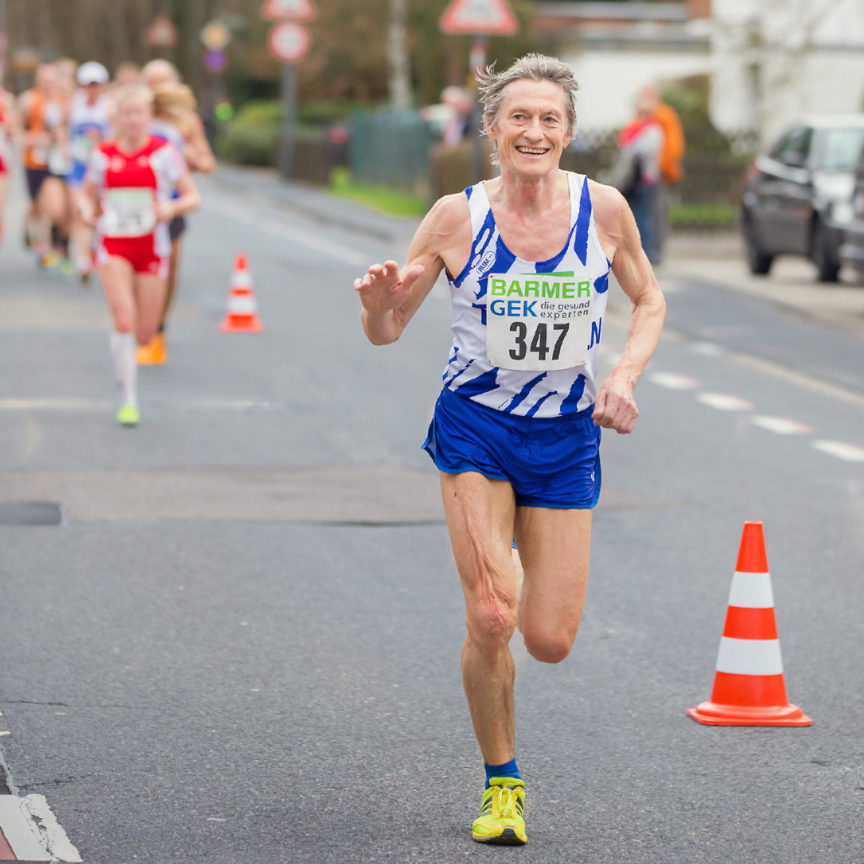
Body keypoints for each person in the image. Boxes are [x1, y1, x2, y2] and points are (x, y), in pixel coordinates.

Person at [353, 54, 665, 845]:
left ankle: (505, 558)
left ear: (567, 132)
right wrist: (379, 308)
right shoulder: (456, 218)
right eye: (518, 117)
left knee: (550, 640)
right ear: (491, 130)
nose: (534, 131)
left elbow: (649, 299)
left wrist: (623, 373)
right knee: (493, 614)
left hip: (564, 437)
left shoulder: (605, 211)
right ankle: (503, 786)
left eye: (549, 119)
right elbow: (390, 331)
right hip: (476, 427)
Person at [80, 85, 200, 426]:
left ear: (149, 116)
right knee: (123, 319)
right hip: (113, 245)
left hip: (152, 248)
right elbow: (86, 196)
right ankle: (128, 398)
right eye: (125, 113)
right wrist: (88, 211)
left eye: (138, 113)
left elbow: (193, 197)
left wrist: (171, 206)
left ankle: (126, 355)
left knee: (145, 333)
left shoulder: (163, 152)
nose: (132, 120)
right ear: (116, 118)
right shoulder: (102, 154)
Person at [136, 62, 215, 365]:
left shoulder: (186, 121)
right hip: (133, 203)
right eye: (151, 84)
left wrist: (189, 157)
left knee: (167, 272)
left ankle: (158, 330)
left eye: (162, 85)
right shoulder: (134, 116)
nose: (156, 92)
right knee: (134, 271)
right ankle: (139, 328)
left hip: (170, 205)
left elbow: (208, 163)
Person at [66, 61, 112, 282]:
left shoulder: (110, 107)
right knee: (78, 211)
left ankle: (94, 251)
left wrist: (101, 139)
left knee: (97, 211)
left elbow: (116, 137)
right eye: (88, 84)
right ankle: (83, 258)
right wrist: (64, 146)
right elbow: (59, 127)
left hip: (101, 168)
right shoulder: (72, 105)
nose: (91, 89)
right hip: (78, 165)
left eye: (95, 84)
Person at [640, 85, 685, 264]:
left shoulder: (664, 115)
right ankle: (647, 249)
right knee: (646, 212)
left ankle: (655, 251)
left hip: (658, 172)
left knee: (657, 212)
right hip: (646, 174)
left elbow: (673, 146)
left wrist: (664, 167)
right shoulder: (646, 116)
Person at [617, 95, 664, 263]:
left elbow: (643, 151)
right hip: (632, 180)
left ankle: (645, 253)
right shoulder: (634, 130)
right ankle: (636, 251)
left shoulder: (653, 131)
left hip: (645, 180)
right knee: (634, 216)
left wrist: (632, 148)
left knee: (644, 217)